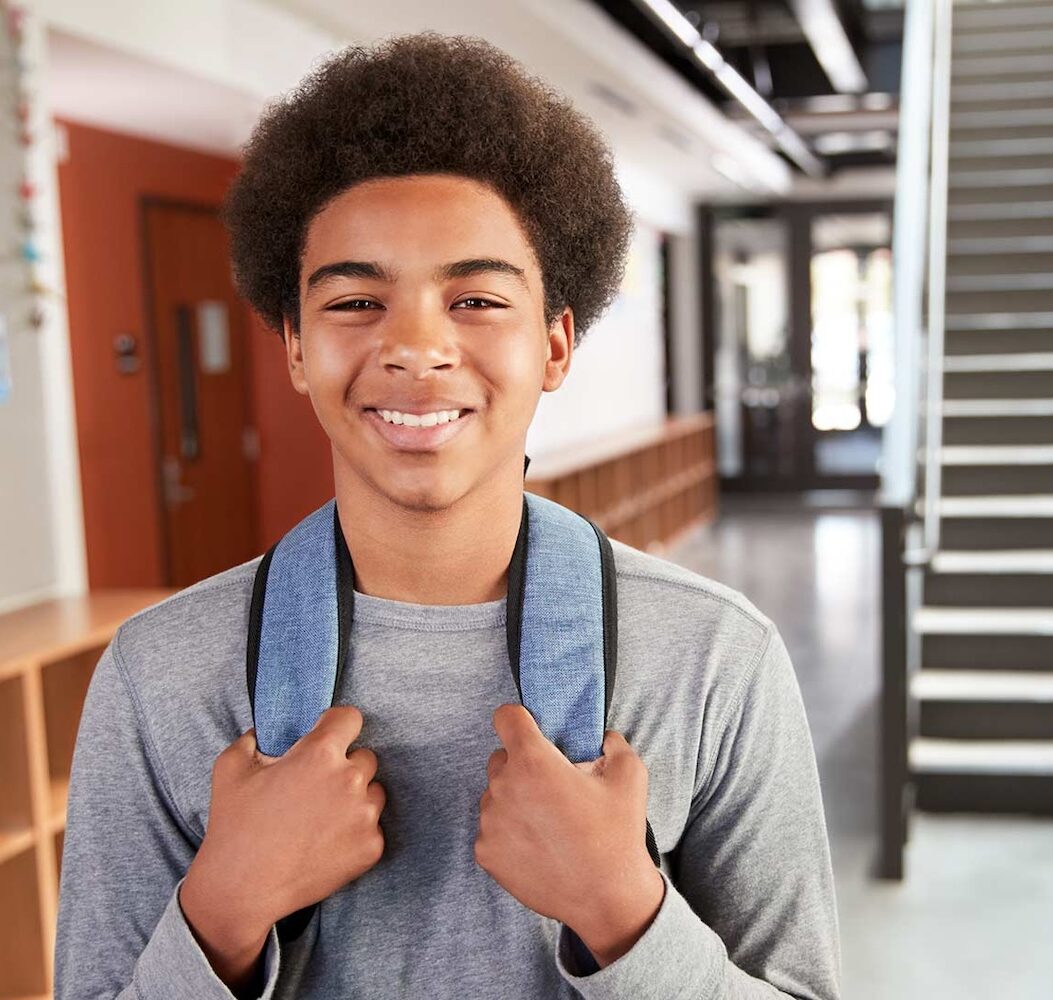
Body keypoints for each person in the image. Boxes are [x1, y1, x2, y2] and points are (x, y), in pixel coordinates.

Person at [52, 31, 840, 1000]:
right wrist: (224, 905)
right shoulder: (162, 672)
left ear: (555, 343)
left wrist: (622, 911)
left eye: (473, 298)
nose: (416, 347)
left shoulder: (712, 657)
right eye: (354, 300)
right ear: (294, 345)